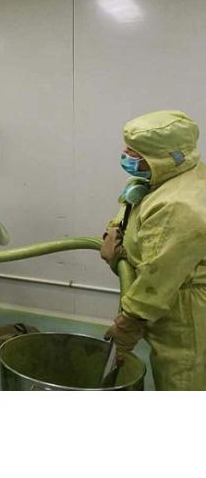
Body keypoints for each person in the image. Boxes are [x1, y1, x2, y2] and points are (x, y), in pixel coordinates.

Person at [101, 110, 206, 390]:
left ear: (168, 156)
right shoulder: (160, 178)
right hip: (162, 296)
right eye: (127, 147)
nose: (126, 155)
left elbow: (160, 277)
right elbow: (133, 210)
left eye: (136, 152)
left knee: (182, 378)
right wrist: (114, 232)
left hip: (184, 307)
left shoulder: (179, 206)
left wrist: (129, 321)